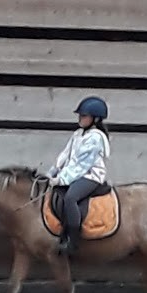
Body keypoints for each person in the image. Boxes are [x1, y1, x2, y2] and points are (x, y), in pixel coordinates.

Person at [48, 96, 110, 256]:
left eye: (84, 116)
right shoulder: (78, 134)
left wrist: (61, 179)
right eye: (80, 115)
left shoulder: (95, 138)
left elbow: (81, 165)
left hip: (90, 176)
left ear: (95, 119)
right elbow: (65, 155)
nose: (80, 118)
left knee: (71, 198)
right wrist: (52, 172)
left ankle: (73, 241)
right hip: (75, 174)